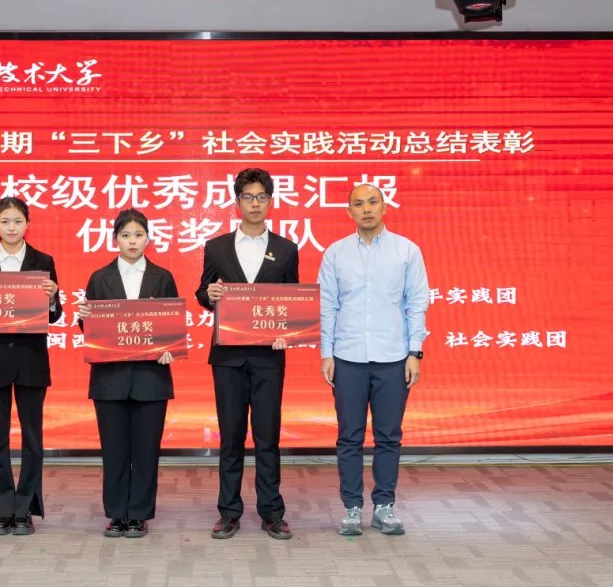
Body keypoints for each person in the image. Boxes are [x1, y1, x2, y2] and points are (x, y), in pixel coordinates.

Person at [317, 183, 429, 537]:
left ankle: (384, 506)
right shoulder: (335, 253)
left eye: (372, 202)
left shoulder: (406, 251)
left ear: (384, 206)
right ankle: (352, 507)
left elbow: (417, 304)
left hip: (393, 357)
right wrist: (326, 353)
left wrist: (414, 352)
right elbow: (327, 306)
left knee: (388, 436)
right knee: (349, 437)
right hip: (347, 356)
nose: (366, 209)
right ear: (349, 211)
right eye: (358, 204)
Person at [195, 167, 299, 540]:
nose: (255, 203)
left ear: (270, 201)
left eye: (261, 197)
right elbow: (202, 292)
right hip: (228, 357)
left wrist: (288, 333)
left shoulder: (286, 249)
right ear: (237, 201)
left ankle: (272, 512)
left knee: (267, 436)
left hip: (269, 357)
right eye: (248, 197)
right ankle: (229, 512)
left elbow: (292, 303)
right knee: (231, 437)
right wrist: (210, 294)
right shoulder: (217, 247)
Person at [0, 197, 62, 536]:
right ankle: (3, 509)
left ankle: (25, 509)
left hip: (31, 361)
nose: (12, 227)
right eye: (5, 221)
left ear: (27, 224)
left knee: (33, 439)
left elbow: (54, 315)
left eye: (17, 221)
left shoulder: (43, 261)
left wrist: (52, 298)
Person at [75, 209, 178, 539]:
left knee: (146, 450)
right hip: (110, 379)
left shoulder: (163, 277)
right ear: (115, 239)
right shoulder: (99, 278)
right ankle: (117, 514)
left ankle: (139, 515)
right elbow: (92, 330)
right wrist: (84, 317)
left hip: (151, 378)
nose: (132, 241)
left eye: (138, 235)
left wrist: (170, 348)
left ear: (148, 238)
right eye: (125, 235)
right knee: (114, 450)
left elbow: (172, 326)